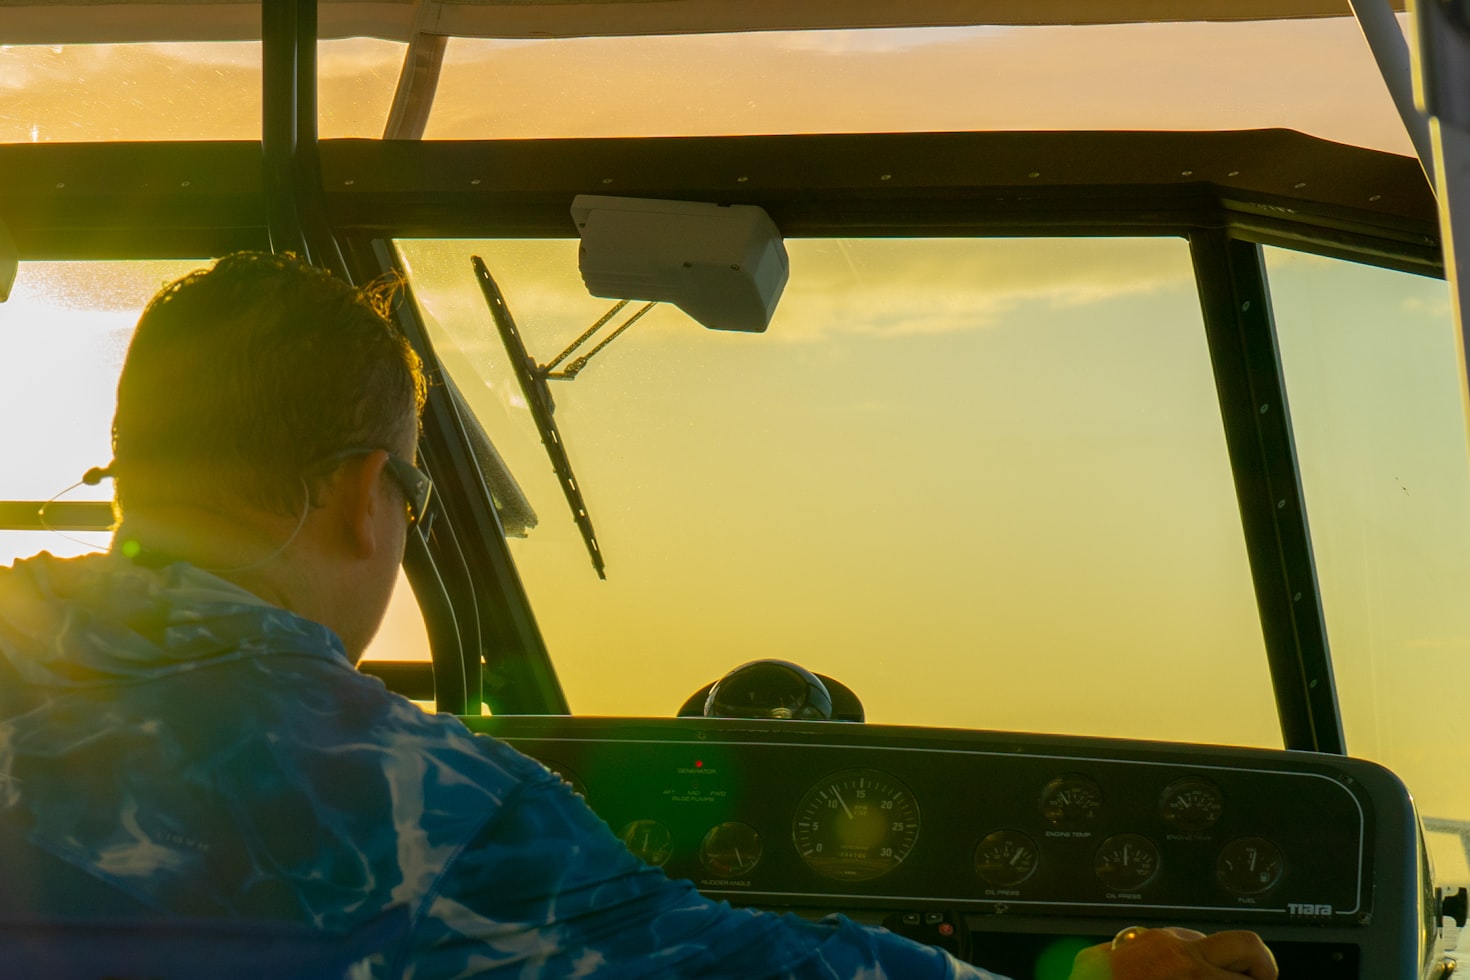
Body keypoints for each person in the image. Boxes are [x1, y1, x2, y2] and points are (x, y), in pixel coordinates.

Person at [0, 252, 1277, 980]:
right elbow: (736, 972)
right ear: (360, 494)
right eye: (419, 491)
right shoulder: (413, 800)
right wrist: (1087, 972)